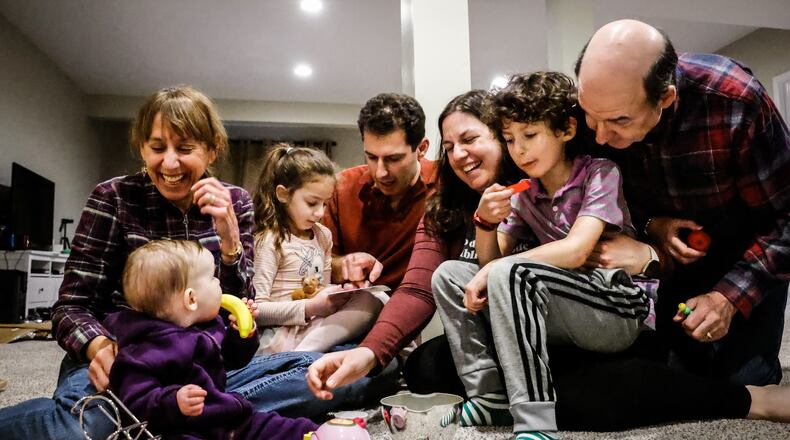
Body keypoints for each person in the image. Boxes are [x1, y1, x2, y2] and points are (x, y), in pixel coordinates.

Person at [308, 89, 790, 431]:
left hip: (596, 317)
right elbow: (421, 287)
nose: (460, 154)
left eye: (474, 139)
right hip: (517, 328)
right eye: (451, 145)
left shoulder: (573, 174)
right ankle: (511, 398)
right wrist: (370, 353)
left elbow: (630, 235)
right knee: (428, 366)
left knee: (598, 395)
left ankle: (745, 400)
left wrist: (649, 251)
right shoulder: (461, 206)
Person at [0, 85, 365, 440]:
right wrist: (99, 346)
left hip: (203, 367)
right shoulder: (113, 197)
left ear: (212, 149)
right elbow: (70, 307)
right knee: (88, 427)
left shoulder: (234, 201)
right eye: (157, 148)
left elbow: (239, 311)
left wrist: (230, 242)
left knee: (332, 375)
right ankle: (179, 417)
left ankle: (185, 416)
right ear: (142, 148)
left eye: (185, 148)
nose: (169, 162)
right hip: (129, 362)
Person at [433, 72, 657, 438]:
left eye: (530, 136)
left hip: (616, 307)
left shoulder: (599, 173)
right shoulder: (523, 194)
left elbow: (577, 249)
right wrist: (484, 223)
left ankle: (536, 422)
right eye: (510, 139)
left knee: (513, 272)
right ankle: (490, 396)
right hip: (561, 304)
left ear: (566, 130)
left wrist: (503, 266)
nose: (519, 150)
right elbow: (490, 268)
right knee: (448, 274)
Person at [574, 19, 790, 386]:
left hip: (744, 250)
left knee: (742, 381)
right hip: (662, 258)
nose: (600, 135)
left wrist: (727, 297)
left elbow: (785, 218)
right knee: (660, 377)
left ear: (666, 98)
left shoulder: (734, 100)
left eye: (619, 121)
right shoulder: (594, 102)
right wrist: (648, 226)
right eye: (590, 117)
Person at [106, 240, 317, 439]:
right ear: (191, 299)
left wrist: (241, 333)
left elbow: (232, 360)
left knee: (286, 427)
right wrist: (174, 401)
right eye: (212, 277)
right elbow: (133, 404)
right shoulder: (142, 351)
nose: (218, 282)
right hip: (183, 430)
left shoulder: (205, 325)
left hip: (224, 418)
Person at [251, 144, 387, 353]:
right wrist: (309, 307)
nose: (320, 213)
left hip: (315, 328)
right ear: (283, 194)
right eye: (312, 203)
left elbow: (321, 287)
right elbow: (258, 311)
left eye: (325, 203)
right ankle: (298, 359)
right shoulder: (270, 240)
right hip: (280, 334)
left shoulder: (323, 236)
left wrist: (338, 293)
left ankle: (307, 355)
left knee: (375, 299)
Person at [322, 92, 436, 290]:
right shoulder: (341, 187)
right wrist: (343, 266)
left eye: (393, 159)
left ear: (422, 148)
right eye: (372, 158)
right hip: (349, 306)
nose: (381, 172)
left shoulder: (447, 183)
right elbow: (314, 260)